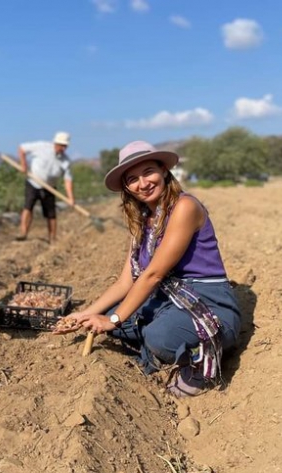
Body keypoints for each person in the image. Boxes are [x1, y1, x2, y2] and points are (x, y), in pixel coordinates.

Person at [63, 141, 241, 397]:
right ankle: (168, 339)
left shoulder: (185, 207)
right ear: (126, 188)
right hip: (168, 300)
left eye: (148, 172)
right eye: (132, 179)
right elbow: (125, 283)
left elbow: (153, 274)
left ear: (164, 171)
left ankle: (203, 358)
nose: (142, 183)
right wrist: (84, 315)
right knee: (116, 318)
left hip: (207, 303)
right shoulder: (143, 221)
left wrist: (112, 320)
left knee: (155, 336)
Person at [16, 131, 74, 244]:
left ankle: (52, 238)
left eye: (64, 146)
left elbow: (68, 180)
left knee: (51, 213)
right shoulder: (41, 147)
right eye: (60, 145)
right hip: (33, 183)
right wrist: (24, 165)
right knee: (28, 207)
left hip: (49, 188)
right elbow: (22, 149)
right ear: (55, 143)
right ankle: (23, 233)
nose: (62, 148)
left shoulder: (66, 161)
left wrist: (70, 198)